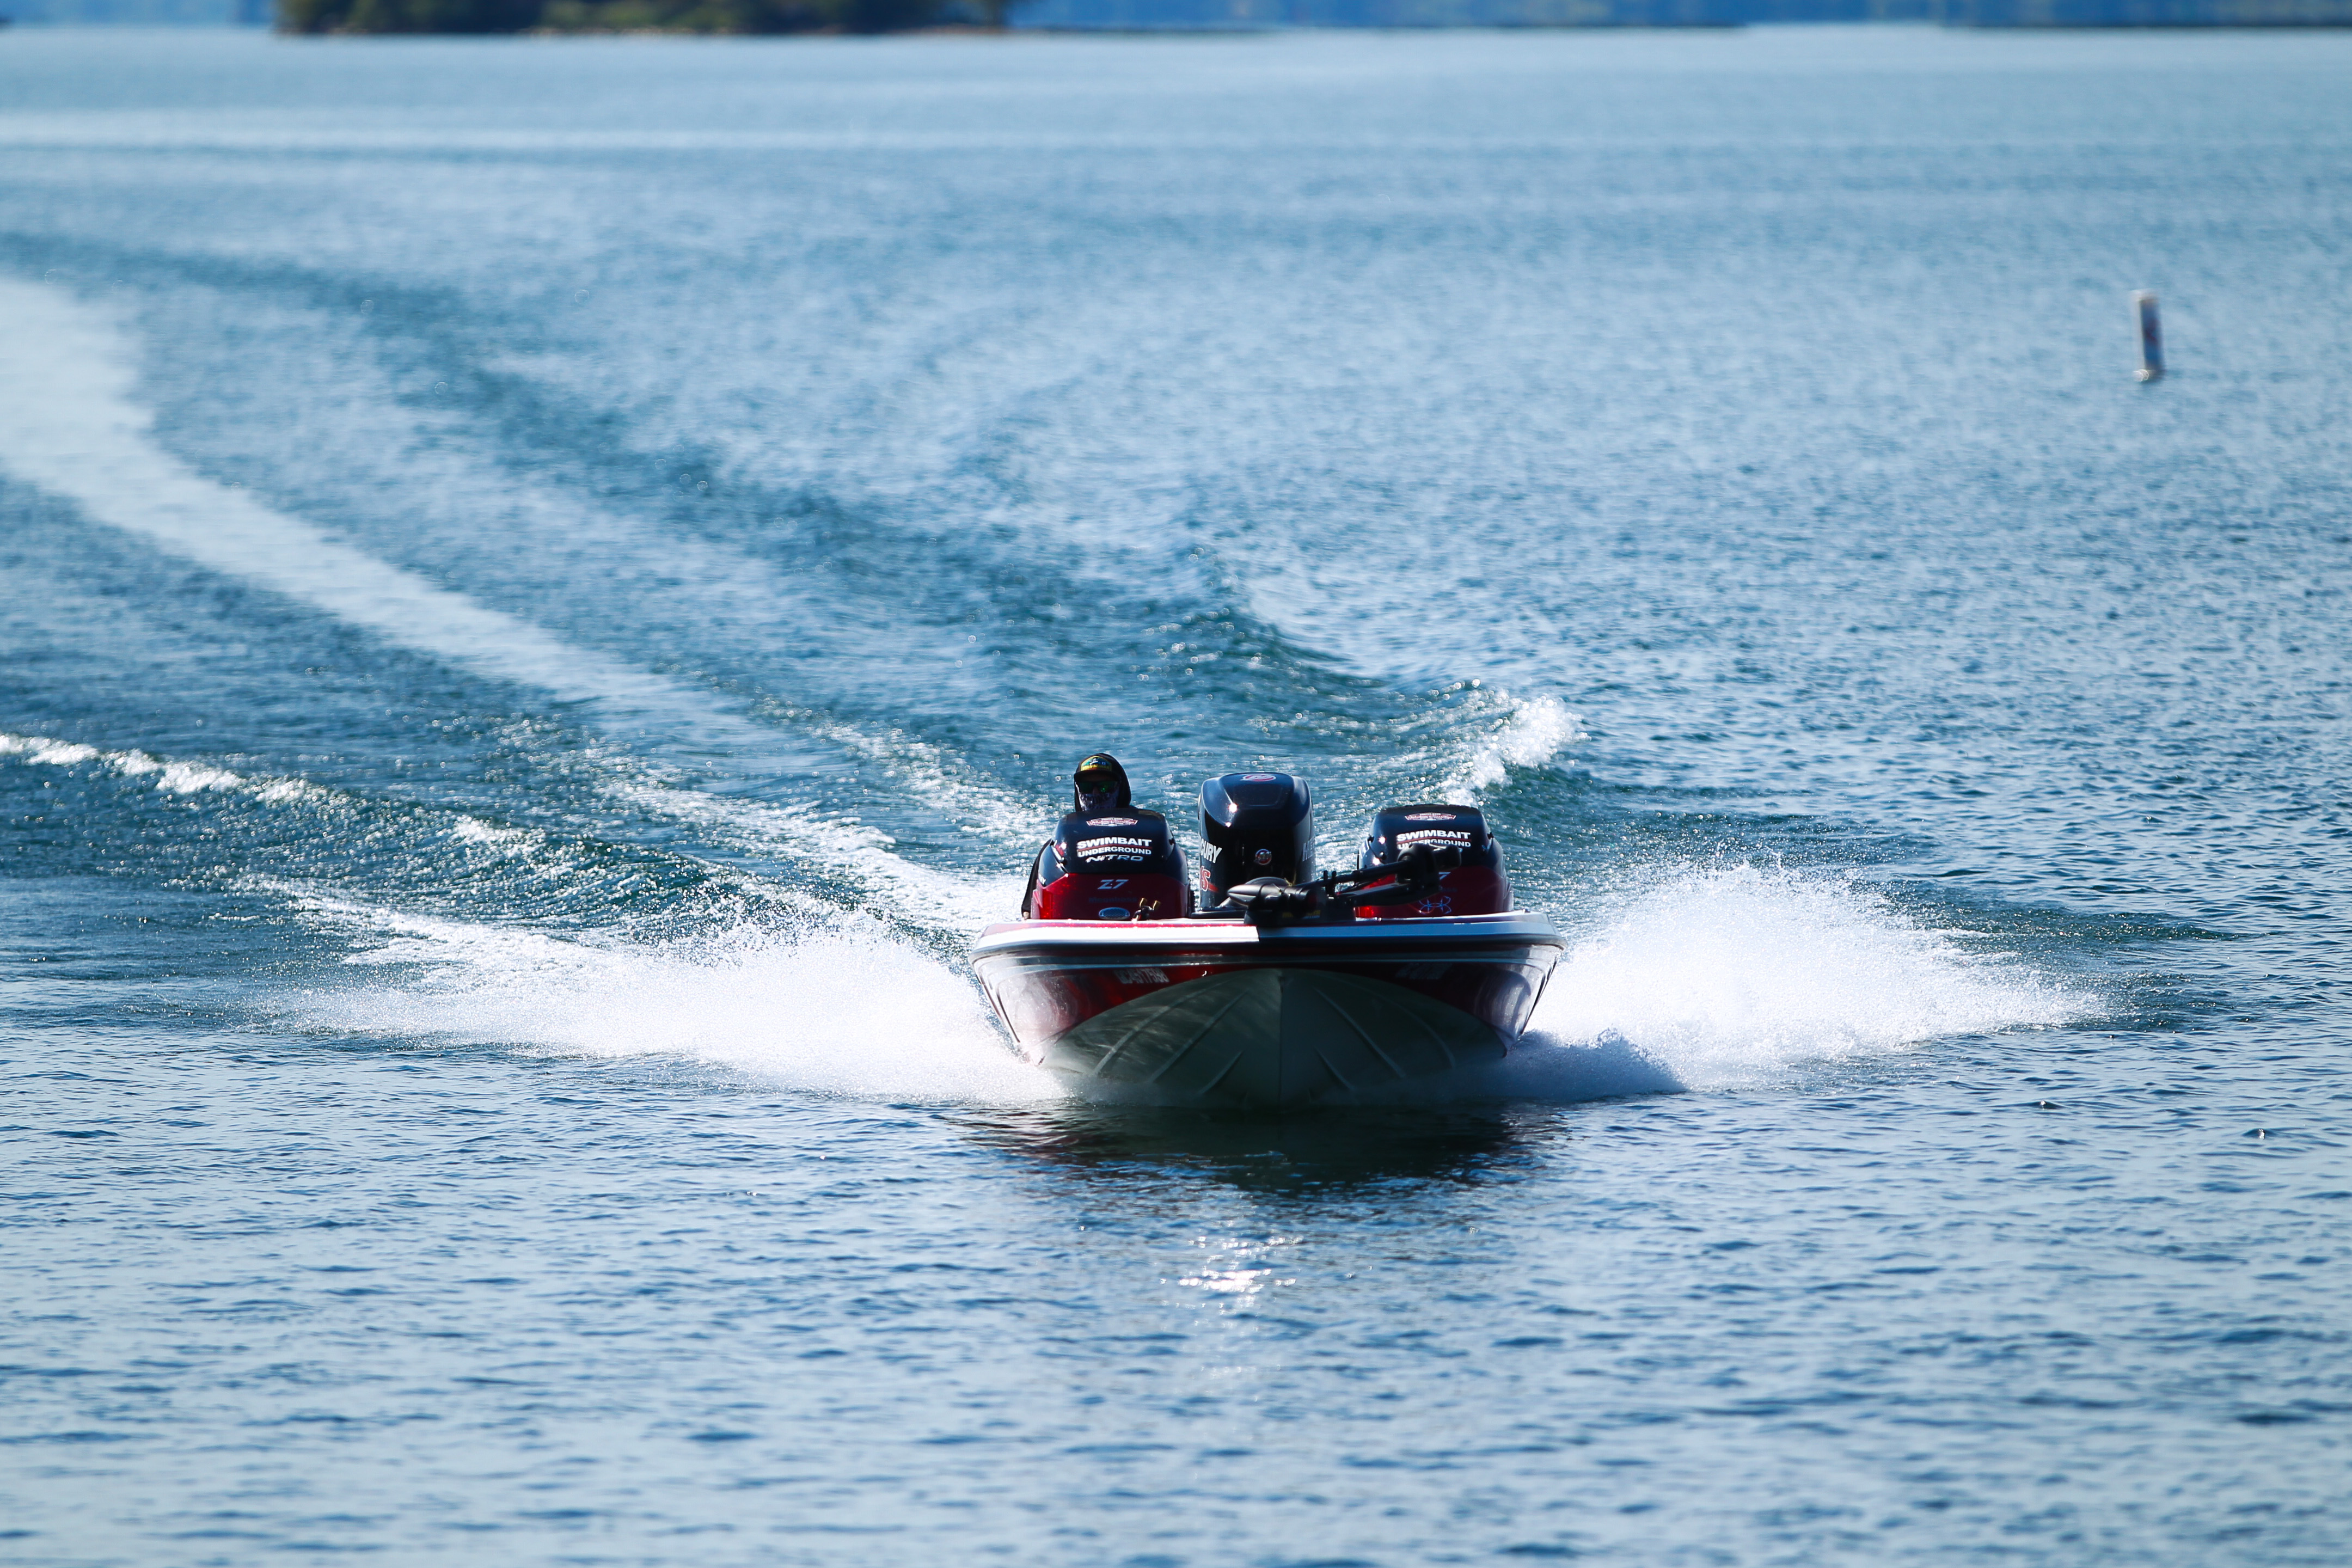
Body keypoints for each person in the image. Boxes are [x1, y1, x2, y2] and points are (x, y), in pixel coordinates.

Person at [1020, 752, 1184, 918]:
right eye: (1086, 787)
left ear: (1120, 788)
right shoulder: (1060, 843)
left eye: (1105, 787)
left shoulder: (1149, 832)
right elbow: (1027, 911)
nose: (1095, 793)